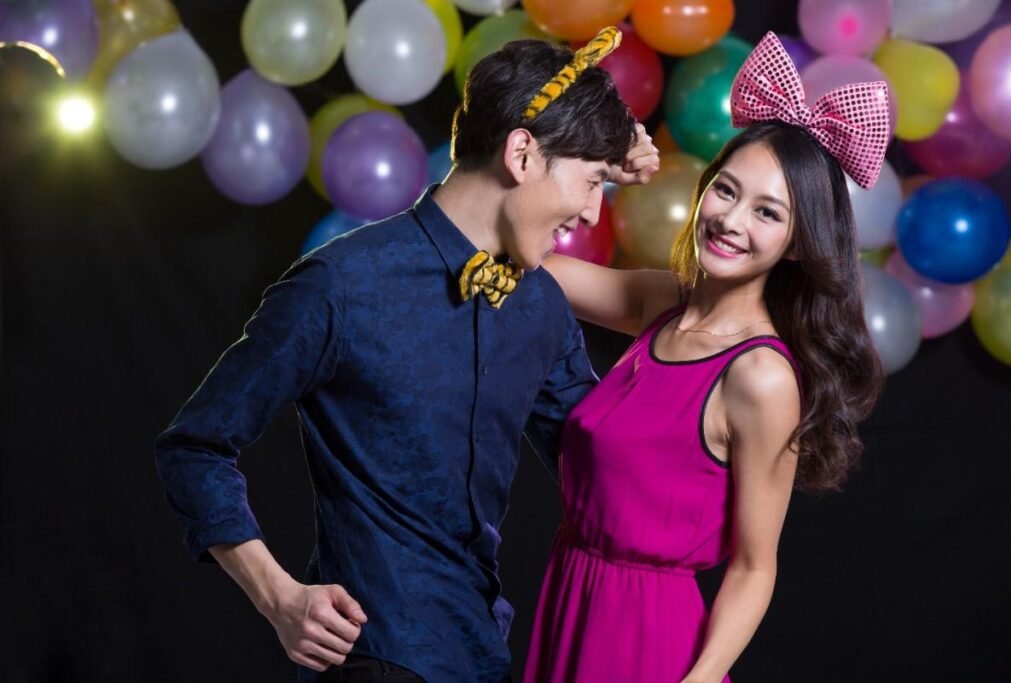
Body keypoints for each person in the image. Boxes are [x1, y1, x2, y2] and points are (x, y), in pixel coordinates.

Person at [154, 29, 659, 683]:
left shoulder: (540, 306)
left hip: (484, 654)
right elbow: (194, 445)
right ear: (522, 153)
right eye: (591, 181)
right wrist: (278, 596)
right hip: (377, 658)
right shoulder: (343, 282)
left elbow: (601, 464)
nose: (594, 211)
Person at [524, 32, 889, 683]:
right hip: (570, 600)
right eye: (725, 190)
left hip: (651, 645)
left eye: (768, 212)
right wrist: (599, 161)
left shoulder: (762, 377)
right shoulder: (659, 302)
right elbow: (528, 265)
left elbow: (755, 567)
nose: (731, 220)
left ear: (800, 244)